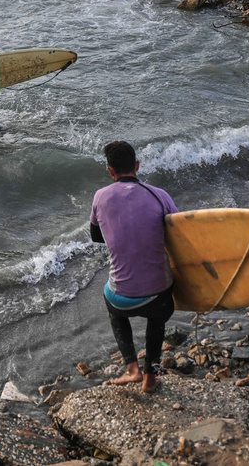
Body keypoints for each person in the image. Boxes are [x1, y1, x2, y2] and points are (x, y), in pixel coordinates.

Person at [89, 141, 177, 393]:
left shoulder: (100, 196)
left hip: (120, 301)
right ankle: (150, 376)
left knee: (112, 305)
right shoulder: (160, 195)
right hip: (159, 299)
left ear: (110, 171)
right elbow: (180, 237)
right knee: (157, 319)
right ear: (137, 166)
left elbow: (96, 236)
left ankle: (132, 369)